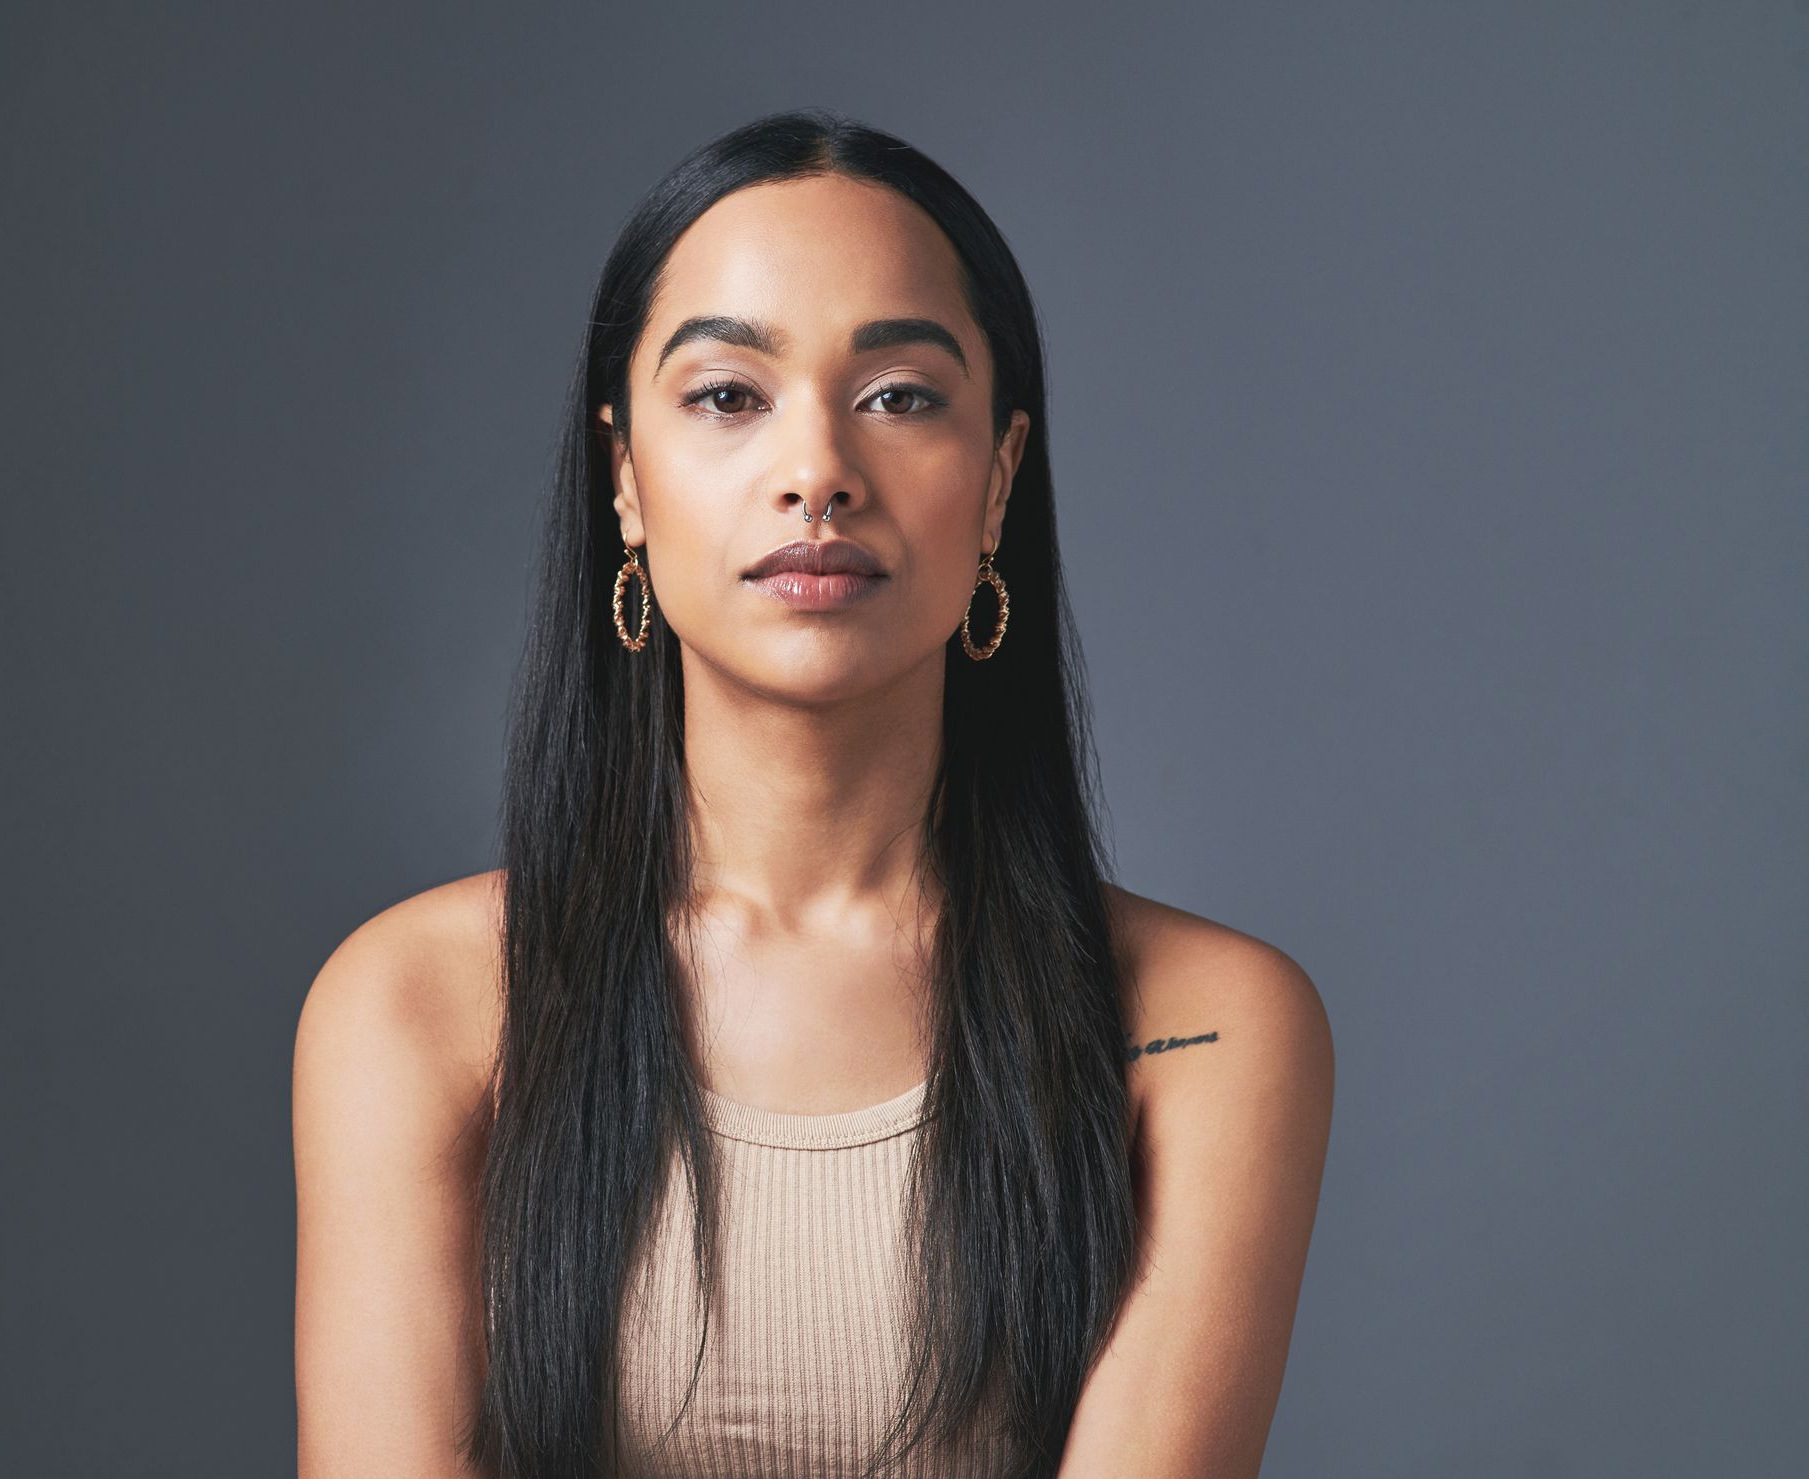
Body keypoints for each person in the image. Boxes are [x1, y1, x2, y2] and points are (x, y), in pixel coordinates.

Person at [292, 107, 1334, 1479]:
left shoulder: (1206, 1029)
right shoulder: (419, 1004)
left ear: (1003, 473)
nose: (819, 475)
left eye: (901, 396)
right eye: (728, 395)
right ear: (625, 479)